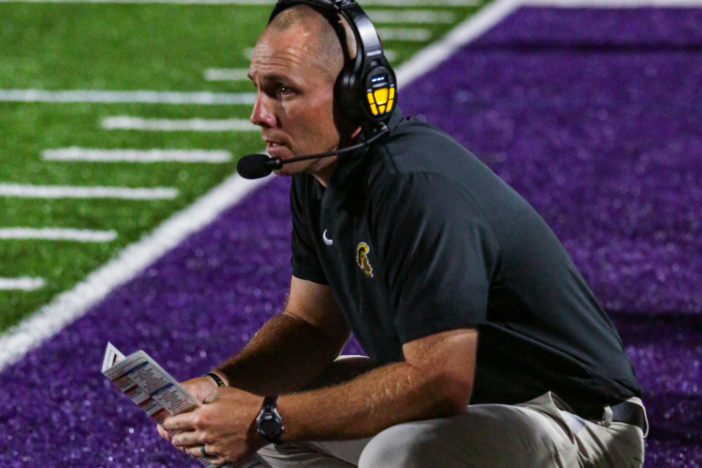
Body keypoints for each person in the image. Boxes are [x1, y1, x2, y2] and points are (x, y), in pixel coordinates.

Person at [158, 1, 648, 467]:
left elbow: (440, 380)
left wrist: (267, 419)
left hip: (575, 422)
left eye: (283, 90)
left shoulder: (416, 189)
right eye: (258, 88)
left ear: (357, 95)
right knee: (286, 408)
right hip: (485, 413)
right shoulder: (318, 177)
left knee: (395, 454)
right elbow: (310, 327)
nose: (258, 114)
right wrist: (221, 384)